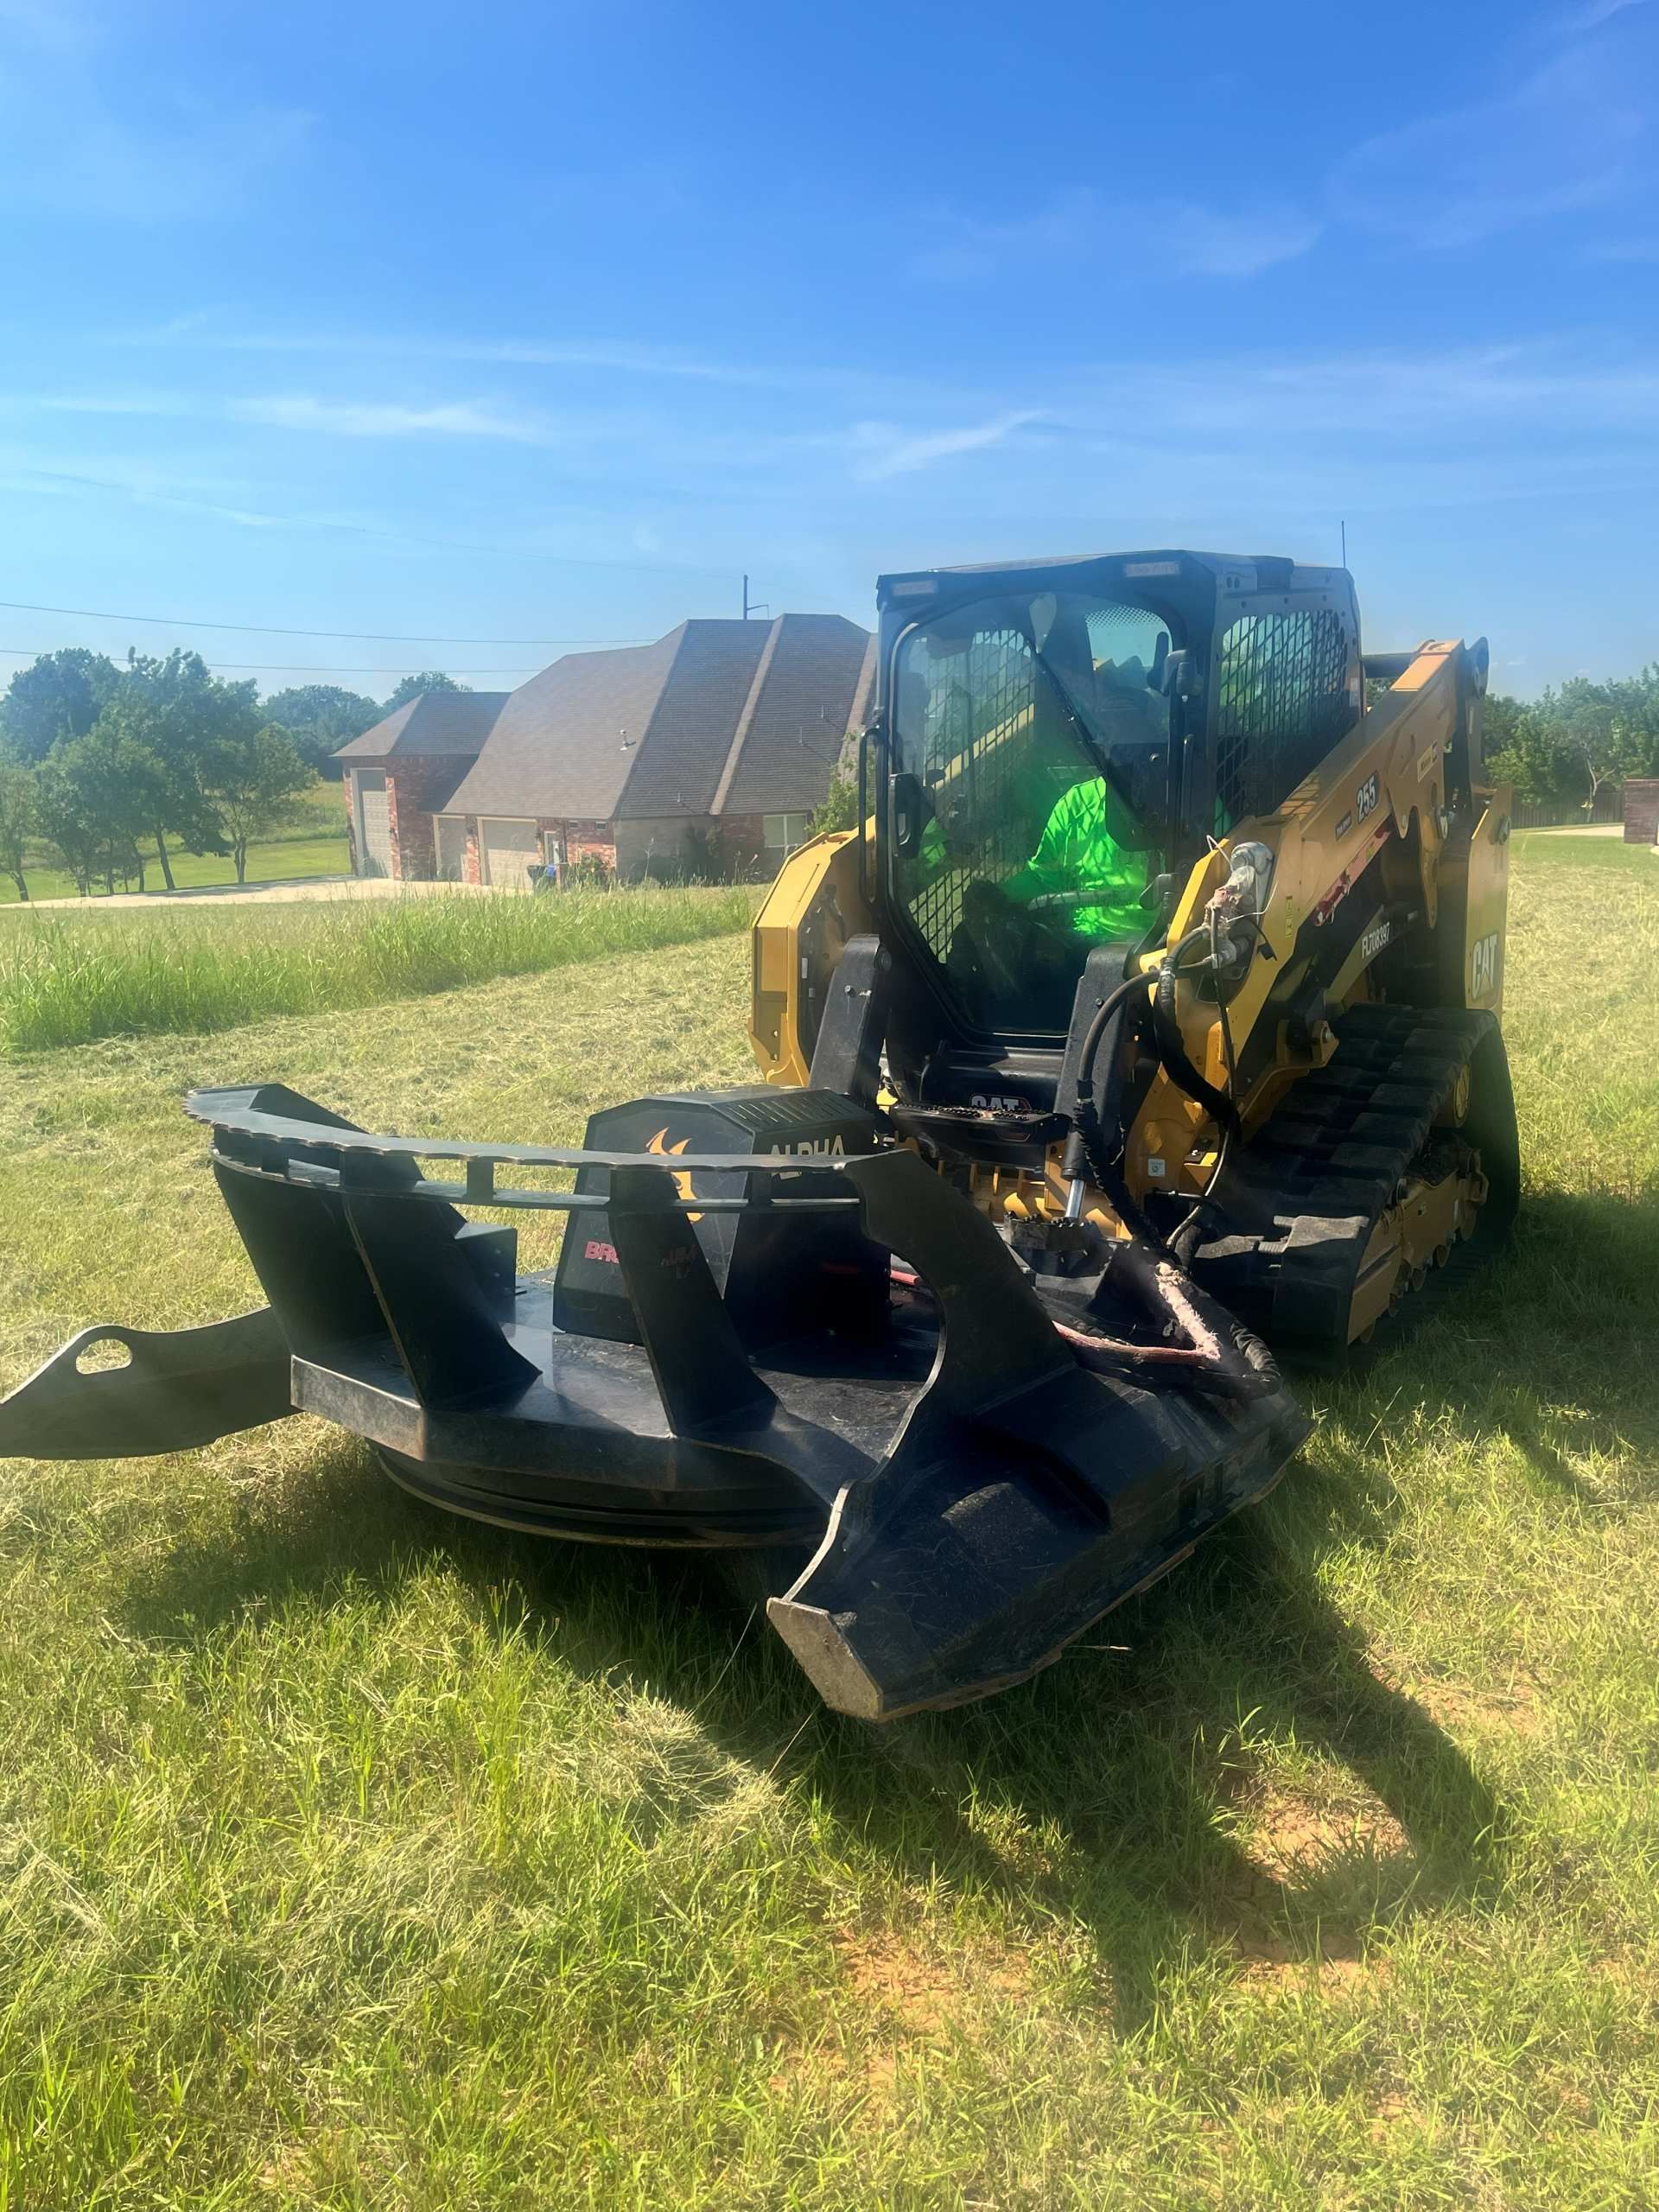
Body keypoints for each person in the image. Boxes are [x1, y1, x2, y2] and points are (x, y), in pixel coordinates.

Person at [998, 772, 1147, 943]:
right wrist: (1000, 895)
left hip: (1169, 938)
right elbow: (1042, 878)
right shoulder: (1078, 803)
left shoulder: (1181, 802)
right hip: (1089, 938)